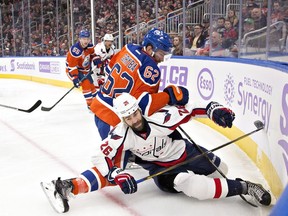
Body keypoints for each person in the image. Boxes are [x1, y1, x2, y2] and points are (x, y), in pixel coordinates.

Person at [41, 93, 271, 213]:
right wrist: (117, 174)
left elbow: (192, 110)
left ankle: (222, 180)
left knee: (222, 171)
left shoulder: (161, 118)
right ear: (123, 119)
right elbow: (108, 162)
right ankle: (245, 186)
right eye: (128, 117)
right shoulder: (120, 135)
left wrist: (213, 109)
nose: (134, 119)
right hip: (164, 172)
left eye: (135, 114)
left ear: (139, 110)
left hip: (187, 153)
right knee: (189, 184)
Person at [89, 28, 187, 140]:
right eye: (162, 54)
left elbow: (108, 70)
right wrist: (168, 96)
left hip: (100, 107)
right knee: (126, 155)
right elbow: (144, 104)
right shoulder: (151, 69)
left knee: (114, 154)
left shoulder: (128, 48)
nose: (163, 59)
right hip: (117, 120)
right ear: (150, 48)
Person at [66, 29, 97, 108]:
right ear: (79, 39)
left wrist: (96, 59)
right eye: (83, 39)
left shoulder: (90, 46)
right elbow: (72, 66)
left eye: (87, 39)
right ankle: (90, 105)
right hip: (73, 70)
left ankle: (97, 103)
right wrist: (75, 78)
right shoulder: (75, 50)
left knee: (92, 87)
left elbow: (93, 54)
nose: (86, 41)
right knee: (86, 84)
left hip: (85, 70)